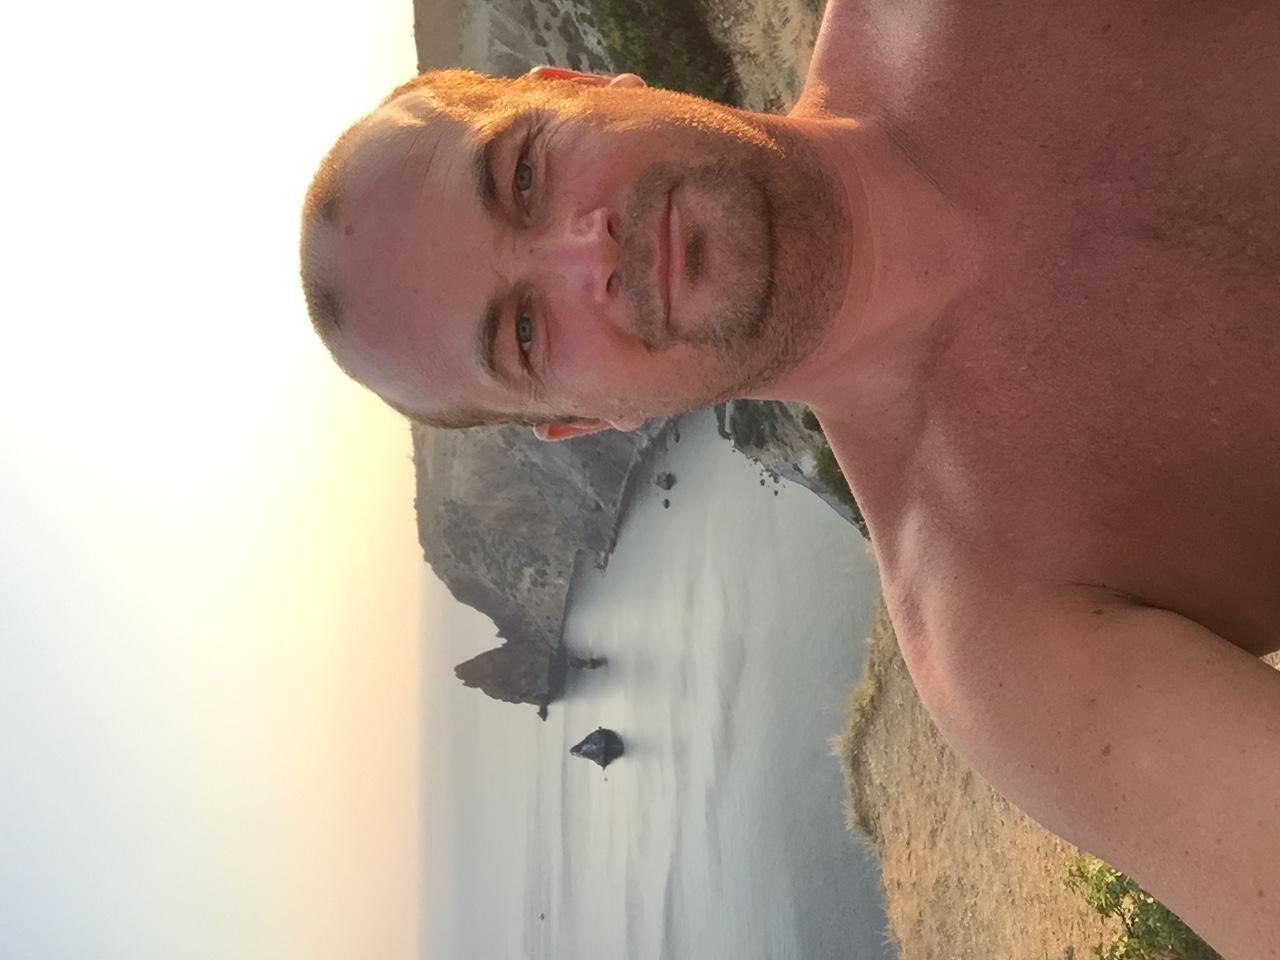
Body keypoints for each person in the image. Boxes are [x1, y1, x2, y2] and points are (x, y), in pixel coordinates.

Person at [299, 5, 1280, 955]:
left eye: (523, 173)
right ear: (584, 420)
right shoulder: (1000, 631)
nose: (586, 252)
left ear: (581, 84)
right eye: (524, 331)